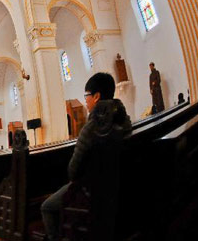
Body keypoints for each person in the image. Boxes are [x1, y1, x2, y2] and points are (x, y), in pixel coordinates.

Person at [41, 72, 132, 241]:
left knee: (47, 207)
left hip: (91, 191)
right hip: (120, 185)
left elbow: (73, 171)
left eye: (87, 96)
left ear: (96, 96)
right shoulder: (124, 121)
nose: (86, 100)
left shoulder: (90, 129)